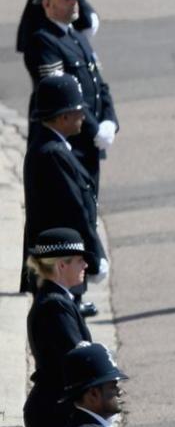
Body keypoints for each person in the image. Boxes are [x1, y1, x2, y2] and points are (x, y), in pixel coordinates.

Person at [25, 0, 118, 195]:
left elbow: (99, 84)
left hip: (89, 145)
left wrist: (110, 122)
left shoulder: (77, 37)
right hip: (69, 147)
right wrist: (94, 129)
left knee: (89, 210)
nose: (74, 2)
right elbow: (62, 96)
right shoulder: (43, 42)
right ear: (47, 2)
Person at [21, 75, 107, 319]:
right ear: (63, 117)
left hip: (62, 259)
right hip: (60, 258)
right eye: (78, 111)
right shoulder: (52, 154)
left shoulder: (54, 148)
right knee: (62, 323)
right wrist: (94, 254)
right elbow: (74, 209)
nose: (83, 117)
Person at [23, 228, 94, 427]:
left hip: (53, 409)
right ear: (62, 265)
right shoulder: (55, 306)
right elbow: (76, 359)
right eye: (79, 260)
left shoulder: (58, 300)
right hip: (55, 412)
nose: (86, 264)